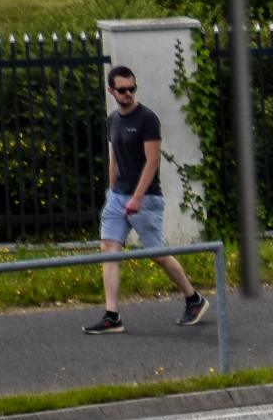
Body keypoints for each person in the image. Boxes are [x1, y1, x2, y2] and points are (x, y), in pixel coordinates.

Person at [84, 66, 209, 335]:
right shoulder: (113, 120)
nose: (128, 93)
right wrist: (111, 191)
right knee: (108, 247)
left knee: (157, 254)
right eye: (122, 90)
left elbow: (153, 160)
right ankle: (112, 315)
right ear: (111, 91)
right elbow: (114, 156)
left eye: (132, 88)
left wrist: (138, 197)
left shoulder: (147, 119)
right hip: (118, 197)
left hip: (147, 197)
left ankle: (193, 299)